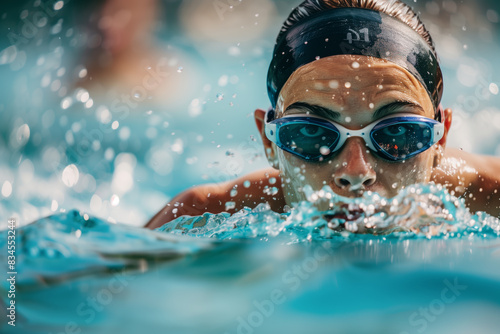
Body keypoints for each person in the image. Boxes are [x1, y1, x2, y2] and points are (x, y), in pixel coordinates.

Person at [146, 0, 500, 229]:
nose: (356, 173)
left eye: (397, 134)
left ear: (441, 137)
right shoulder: (198, 217)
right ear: (268, 141)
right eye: (312, 134)